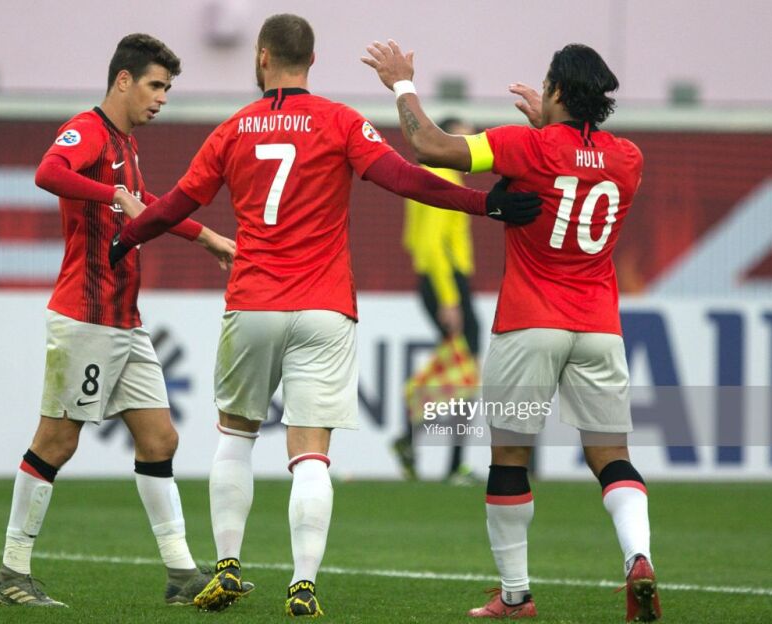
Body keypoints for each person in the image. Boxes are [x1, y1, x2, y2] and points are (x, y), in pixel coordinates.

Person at [109, 14, 541, 617]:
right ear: (311, 61)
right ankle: (303, 584)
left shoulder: (233, 129)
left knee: (235, 436)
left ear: (262, 57)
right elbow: (406, 179)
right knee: (311, 453)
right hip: (325, 306)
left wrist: (128, 236)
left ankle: (227, 566)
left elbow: (179, 201)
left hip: (253, 301)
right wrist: (484, 205)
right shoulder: (340, 121)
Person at [363, 41, 660, 621]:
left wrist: (401, 83)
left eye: (546, 85)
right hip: (599, 327)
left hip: (530, 323)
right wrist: (550, 127)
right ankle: (638, 557)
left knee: (509, 459)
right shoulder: (629, 158)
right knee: (612, 457)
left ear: (556, 91)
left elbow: (429, 146)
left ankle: (516, 595)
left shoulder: (524, 146)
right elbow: (575, 167)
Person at [0, 33, 238, 608]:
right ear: (123, 80)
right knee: (57, 440)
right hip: (86, 317)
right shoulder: (88, 129)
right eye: (156, 85)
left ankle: (181, 574)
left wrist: (206, 236)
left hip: (124, 320)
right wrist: (112, 194)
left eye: (167, 88)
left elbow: (146, 203)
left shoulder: (125, 142)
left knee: (159, 437)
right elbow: (48, 172)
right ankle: (11, 573)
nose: (162, 97)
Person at [395, 116, 482, 484]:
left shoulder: (428, 176)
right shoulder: (444, 178)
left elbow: (412, 239)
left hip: (439, 280)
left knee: (458, 368)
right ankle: (452, 464)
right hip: (447, 282)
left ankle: (411, 438)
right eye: (463, 140)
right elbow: (431, 245)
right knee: (466, 370)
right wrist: (449, 298)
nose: (470, 148)